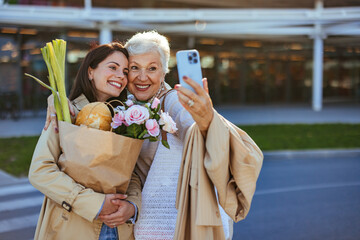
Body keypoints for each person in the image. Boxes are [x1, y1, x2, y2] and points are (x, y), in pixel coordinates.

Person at [45, 31, 263, 240]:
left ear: (164, 72)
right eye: (134, 68)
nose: (142, 77)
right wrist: (57, 102)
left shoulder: (173, 101)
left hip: (174, 223)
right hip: (136, 224)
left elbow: (191, 127)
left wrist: (206, 120)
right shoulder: (121, 105)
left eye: (152, 68)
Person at [29, 42, 141, 240]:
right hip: (73, 226)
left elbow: (129, 173)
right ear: (91, 72)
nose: (121, 76)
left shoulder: (124, 119)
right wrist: (94, 203)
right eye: (112, 67)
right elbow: (40, 171)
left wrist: (132, 205)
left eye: (125, 71)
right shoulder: (66, 112)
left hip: (118, 228)